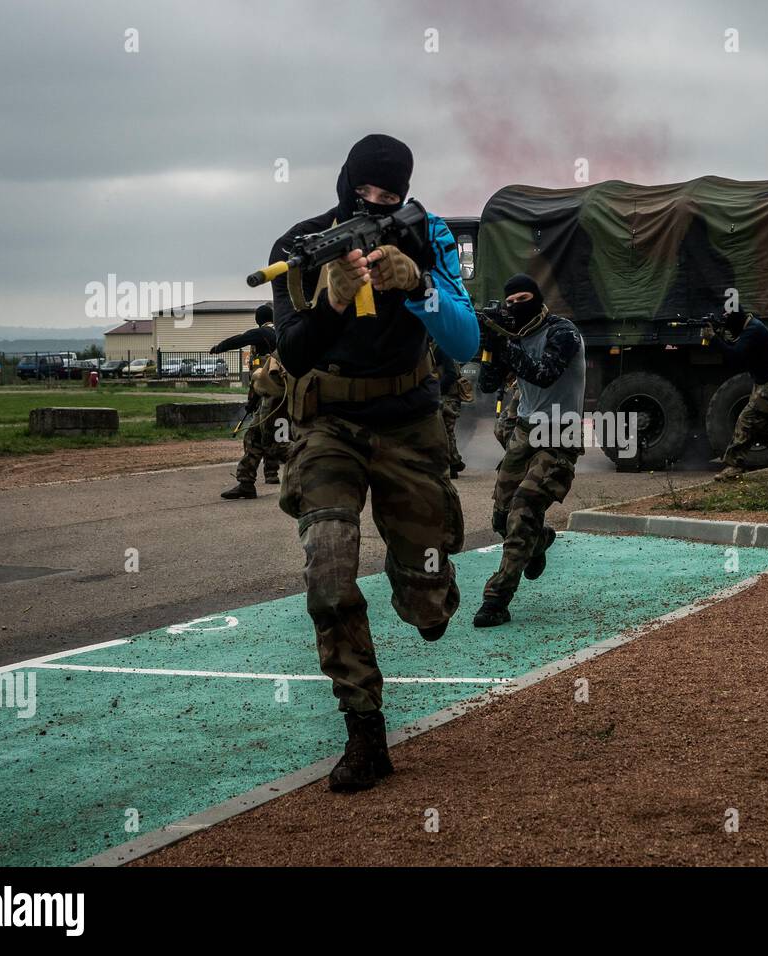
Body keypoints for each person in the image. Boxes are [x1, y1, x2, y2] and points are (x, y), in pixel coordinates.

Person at [270, 133, 479, 792]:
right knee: (329, 570)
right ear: (345, 183)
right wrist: (332, 301)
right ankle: (364, 731)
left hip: (409, 422)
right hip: (327, 422)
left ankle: (418, 582)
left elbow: (465, 338)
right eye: (365, 191)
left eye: (389, 195)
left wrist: (420, 285)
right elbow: (295, 353)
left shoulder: (429, 234)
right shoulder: (297, 247)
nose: (376, 202)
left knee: (429, 603)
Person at [472, 274, 585, 628]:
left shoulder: (562, 332)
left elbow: (544, 373)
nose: (517, 306)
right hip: (525, 431)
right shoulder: (514, 337)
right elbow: (488, 385)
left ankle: (496, 599)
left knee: (522, 512)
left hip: (560, 433)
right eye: (511, 301)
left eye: (524, 298)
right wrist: (489, 348)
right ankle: (540, 541)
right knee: (501, 517)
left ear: (537, 299)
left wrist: (505, 346)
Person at [702, 308, 768, 481]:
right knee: (758, 426)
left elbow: (735, 355)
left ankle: (734, 466)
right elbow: (735, 348)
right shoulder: (749, 327)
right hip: (764, 384)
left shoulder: (753, 330)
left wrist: (714, 339)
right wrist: (719, 337)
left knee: (746, 420)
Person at [221, 304, 286, 498]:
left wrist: (219, 348)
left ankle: (316, 468)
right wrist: (253, 400)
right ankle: (248, 482)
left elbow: (241, 339)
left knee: (274, 440)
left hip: (274, 396)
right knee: (258, 436)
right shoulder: (281, 331)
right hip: (273, 394)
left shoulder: (265, 334)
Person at [433, 344, 469, 478]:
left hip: (449, 395)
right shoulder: (425, 348)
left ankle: (452, 463)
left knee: (446, 428)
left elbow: (451, 374)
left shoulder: (441, 348)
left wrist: (434, 391)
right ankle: (453, 461)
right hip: (437, 393)